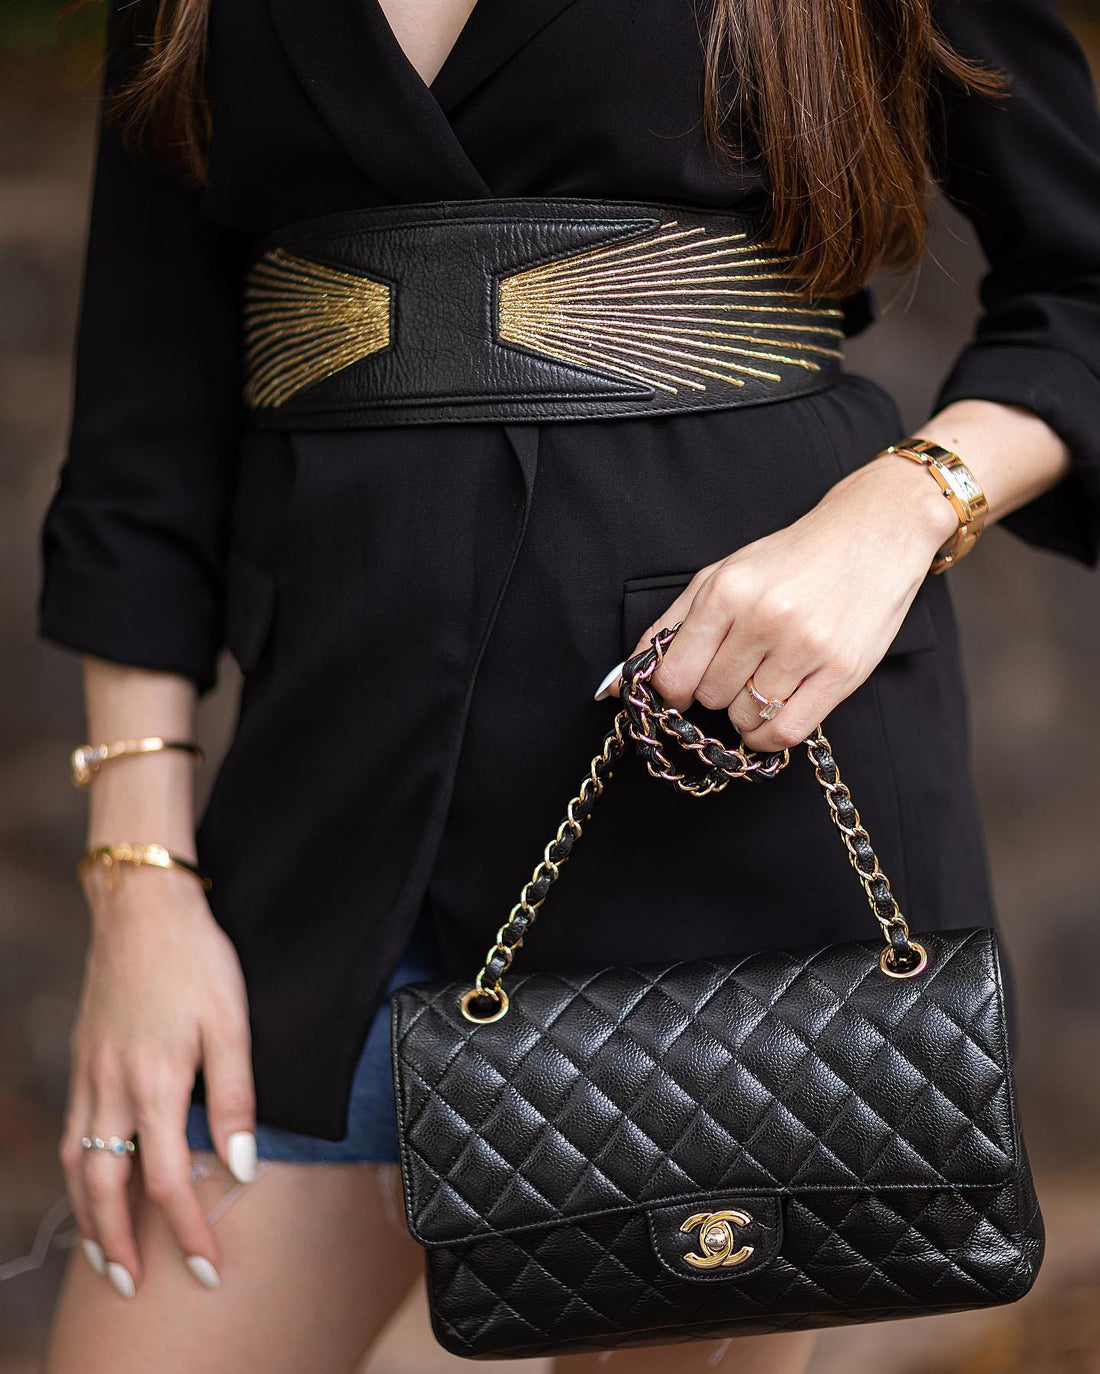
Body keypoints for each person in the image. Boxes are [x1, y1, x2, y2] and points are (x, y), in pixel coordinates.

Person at [33, 0, 1100, 1370]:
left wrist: (900, 512)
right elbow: (143, 439)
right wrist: (138, 887)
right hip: (329, 815)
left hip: (718, 765)